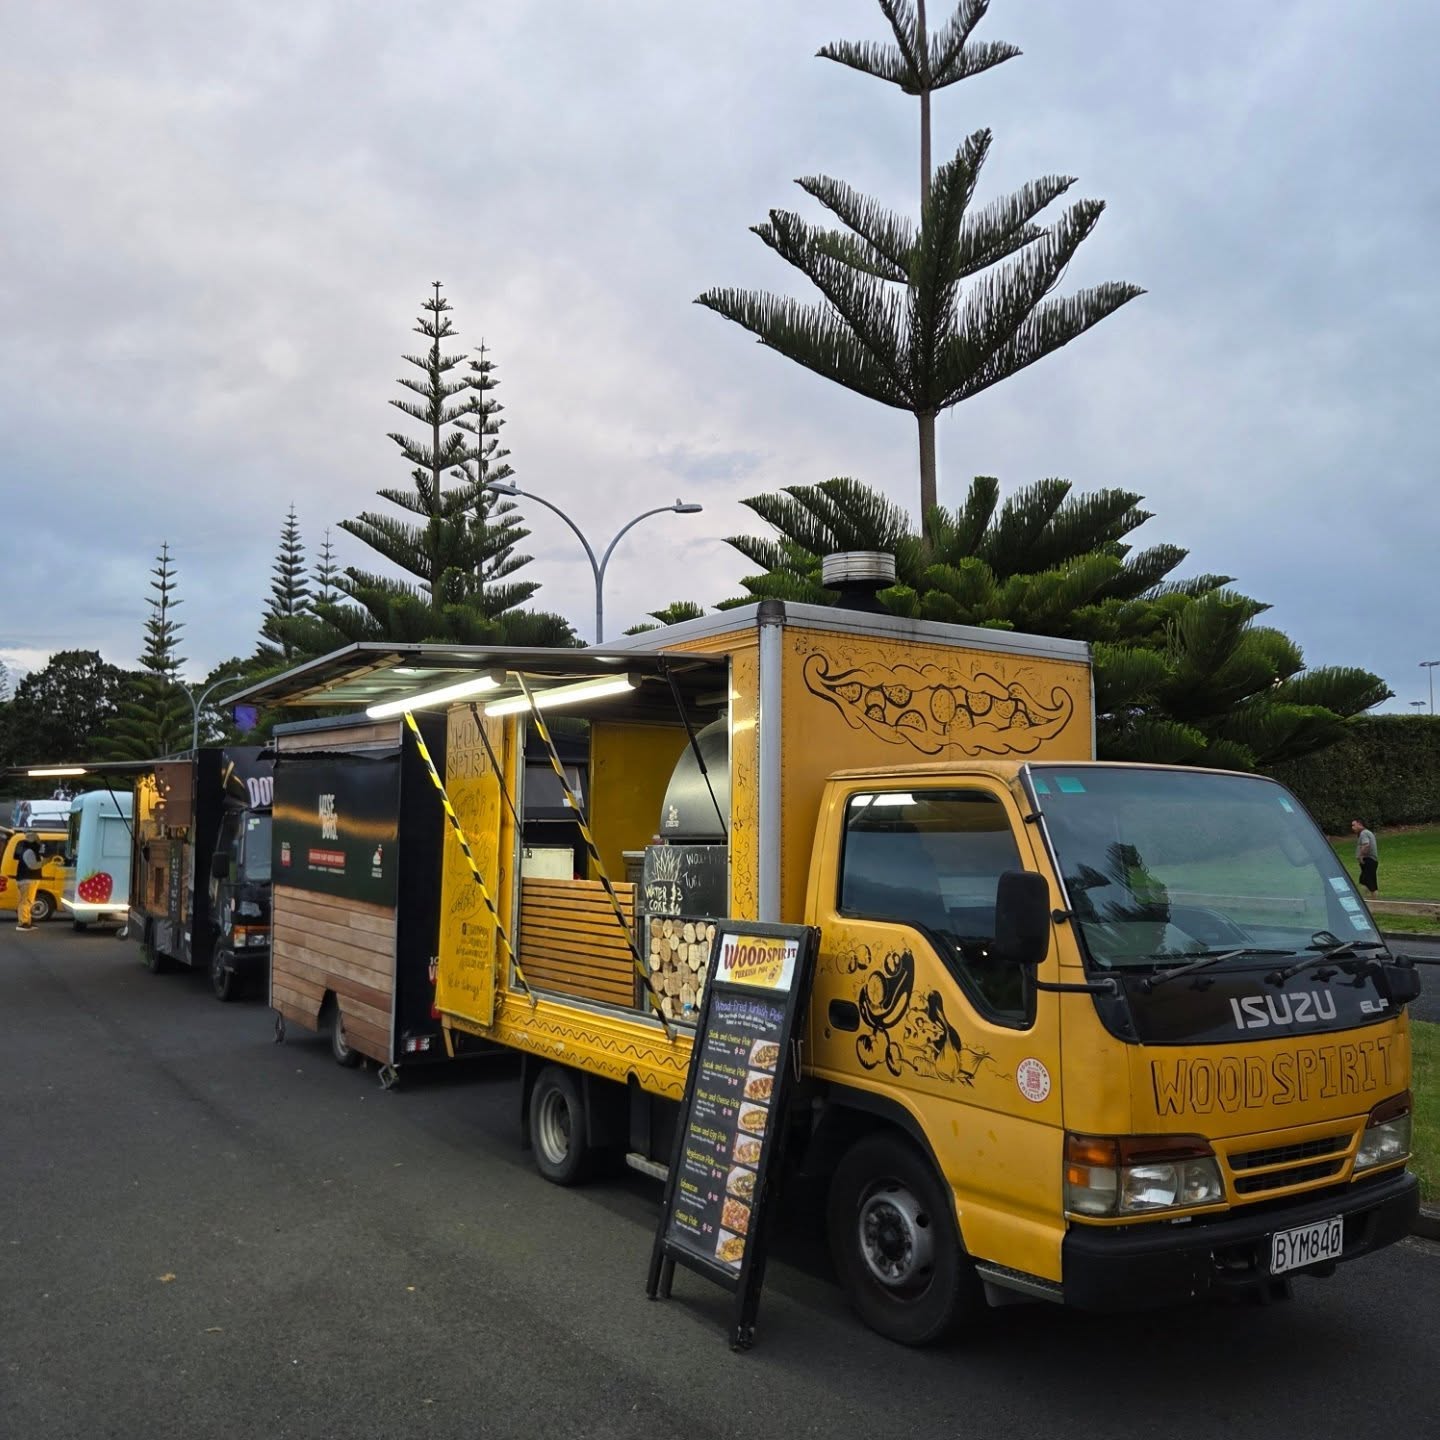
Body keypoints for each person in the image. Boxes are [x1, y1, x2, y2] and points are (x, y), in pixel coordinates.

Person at [14, 830, 42, 931]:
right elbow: (33, 865)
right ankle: (23, 923)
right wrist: (45, 862)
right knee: (26, 901)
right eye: (37, 838)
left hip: (25, 879)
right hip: (28, 879)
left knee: (25, 901)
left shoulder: (26, 849)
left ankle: (27, 921)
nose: (39, 841)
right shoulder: (29, 851)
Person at [1351, 819, 1379, 898]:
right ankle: (1366, 899)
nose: (1352, 827)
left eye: (1354, 825)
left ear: (1359, 824)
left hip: (1369, 860)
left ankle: (1371, 900)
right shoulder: (1365, 833)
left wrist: (1360, 856)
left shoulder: (1364, 833)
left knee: (1369, 882)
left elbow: (1366, 845)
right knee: (1364, 881)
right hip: (1369, 860)